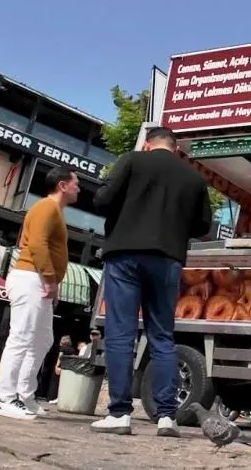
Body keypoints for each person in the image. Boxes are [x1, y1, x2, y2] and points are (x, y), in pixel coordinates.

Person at [91, 126, 211, 436]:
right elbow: (202, 226)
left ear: (148, 145)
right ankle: (167, 417)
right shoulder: (194, 178)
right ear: (176, 148)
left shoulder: (131, 161)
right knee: (162, 335)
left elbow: (102, 201)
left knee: (121, 332)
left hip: (125, 254)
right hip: (168, 259)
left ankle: (119, 413)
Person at [0, 167, 79, 420]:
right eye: (76, 184)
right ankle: (4, 397)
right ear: (62, 185)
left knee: (42, 340)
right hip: (31, 278)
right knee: (21, 337)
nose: (79, 188)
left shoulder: (55, 211)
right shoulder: (45, 208)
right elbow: (38, 245)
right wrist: (50, 280)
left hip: (39, 280)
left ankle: (24, 395)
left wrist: (53, 284)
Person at [47, 335, 76, 404]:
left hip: (60, 366)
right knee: (62, 383)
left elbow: (60, 357)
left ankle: (52, 397)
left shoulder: (62, 348)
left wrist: (56, 366)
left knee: (55, 382)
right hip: (66, 367)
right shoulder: (72, 349)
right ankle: (59, 398)